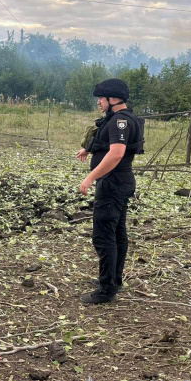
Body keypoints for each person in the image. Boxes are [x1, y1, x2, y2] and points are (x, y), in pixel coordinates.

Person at [75, 78, 143, 304]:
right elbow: (109, 144)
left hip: (113, 183)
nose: (98, 103)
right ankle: (114, 280)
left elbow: (116, 153)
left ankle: (106, 290)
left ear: (113, 99)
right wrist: (89, 148)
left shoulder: (119, 121)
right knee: (116, 233)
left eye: (101, 99)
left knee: (104, 236)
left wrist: (90, 177)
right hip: (121, 182)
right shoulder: (122, 119)